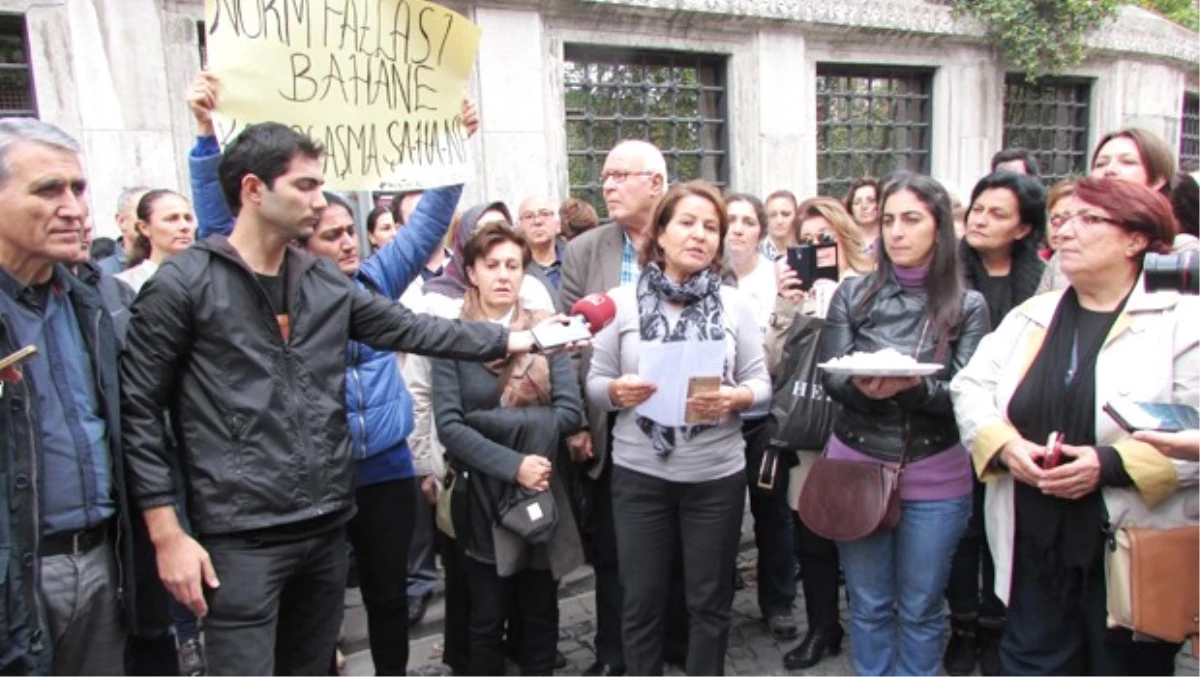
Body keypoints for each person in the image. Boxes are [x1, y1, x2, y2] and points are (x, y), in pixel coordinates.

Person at [119, 121, 557, 677]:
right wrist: (167, 533)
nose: (318, 199)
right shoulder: (185, 284)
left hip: (327, 526)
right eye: (304, 186)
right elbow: (139, 412)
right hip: (240, 538)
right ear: (254, 189)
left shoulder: (323, 283)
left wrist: (525, 337)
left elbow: (416, 329)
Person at [950, 177, 1200, 677]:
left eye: (1089, 221)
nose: (1066, 233)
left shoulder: (1183, 320)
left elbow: (1194, 431)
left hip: (1129, 556)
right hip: (1034, 546)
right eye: (1063, 221)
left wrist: (1109, 464)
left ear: (1136, 239)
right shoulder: (1033, 316)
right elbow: (970, 387)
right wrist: (1003, 446)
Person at [587, 181, 770, 677]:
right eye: (687, 223)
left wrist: (738, 397)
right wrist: (617, 392)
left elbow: (762, 384)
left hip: (715, 478)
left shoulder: (736, 306)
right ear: (660, 233)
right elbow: (594, 383)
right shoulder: (622, 304)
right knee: (641, 602)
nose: (700, 235)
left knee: (709, 603)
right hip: (639, 477)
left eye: (712, 227)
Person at [819, 172, 990, 677]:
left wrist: (911, 388)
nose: (895, 231)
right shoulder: (852, 294)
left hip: (935, 471)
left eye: (911, 219)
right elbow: (832, 377)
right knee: (869, 604)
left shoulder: (969, 304)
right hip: (856, 464)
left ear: (940, 229)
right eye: (889, 219)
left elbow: (966, 392)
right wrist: (868, 386)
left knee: (920, 608)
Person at [0, 117, 137, 676]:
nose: (74, 208)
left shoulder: (98, 304)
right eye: (48, 190)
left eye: (78, 189)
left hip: (103, 561)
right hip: (17, 575)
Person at [561, 138, 692, 676]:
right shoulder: (586, 250)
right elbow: (565, 349)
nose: (608, 185)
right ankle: (615, 654)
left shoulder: (691, 237)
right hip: (611, 425)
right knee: (615, 551)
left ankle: (678, 644)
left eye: (621, 175)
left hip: (686, 425)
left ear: (656, 184)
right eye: (606, 175)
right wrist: (575, 422)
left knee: (683, 545)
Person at [432, 223, 586, 677]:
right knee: (485, 616)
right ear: (472, 272)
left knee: (540, 608)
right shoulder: (450, 338)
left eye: (513, 265)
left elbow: (569, 413)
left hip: (540, 486)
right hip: (480, 494)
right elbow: (449, 427)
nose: (503, 275)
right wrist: (512, 462)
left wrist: (491, 429)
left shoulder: (548, 331)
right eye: (492, 265)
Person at [943, 170, 1046, 677]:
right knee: (964, 533)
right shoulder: (950, 276)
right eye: (977, 209)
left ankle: (996, 623)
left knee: (1006, 532)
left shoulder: (1043, 283)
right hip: (956, 428)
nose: (980, 220)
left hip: (1020, 435)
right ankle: (962, 626)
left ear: (1024, 229)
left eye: (997, 213)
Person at [765, 196, 872, 671]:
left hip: (860, 431)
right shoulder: (795, 295)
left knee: (862, 533)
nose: (816, 249)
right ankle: (822, 628)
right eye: (805, 242)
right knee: (810, 535)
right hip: (808, 433)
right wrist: (786, 307)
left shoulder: (870, 290)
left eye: (824, 239)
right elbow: (770, 363)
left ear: (844, 239)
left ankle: (871, 626)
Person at [723, 191, 797, 641]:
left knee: (772, 511)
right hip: (717, 420)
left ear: (761, 231)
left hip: (763, 418)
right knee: (720, 516)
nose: (737, 228)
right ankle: (718, 601)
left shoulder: (777, 280)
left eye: (747, 221)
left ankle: (779, 601)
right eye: (728, 219)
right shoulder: (706, 278)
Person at [1039, 128, 1176, 292]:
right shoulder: (1066, 251)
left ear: (1157, 180)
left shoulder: (1183, 253)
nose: (1109, 170)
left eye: (1127, 162)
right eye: (1101, 164)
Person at [114, 189, 197, 293]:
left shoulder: (211, 276)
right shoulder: (123, 285)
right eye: (172, 219)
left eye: (188, 218)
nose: (184, 227)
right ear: (144, 228)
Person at [96, 185, 150, 274]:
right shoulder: (104, 272)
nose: (151, 220)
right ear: (121, 221)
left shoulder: (174, 264)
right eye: (143, 212)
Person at [518, 196, 567, 290]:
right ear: (520, 227)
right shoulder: (515, 266)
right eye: (529, 216)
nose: (537, 221)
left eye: (544, 214)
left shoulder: (576, 259)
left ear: (558, 224)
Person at [844, 177, 881, 251]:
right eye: (857, 202)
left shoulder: (889, 242)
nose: (864, 206)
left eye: (871, 201)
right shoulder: (845, 244)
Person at [762, 189, 798, 261]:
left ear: (796, 215)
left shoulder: (806, 249)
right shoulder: (754, 253)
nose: (779, 221)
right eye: (773, 215)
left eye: (786, 214)